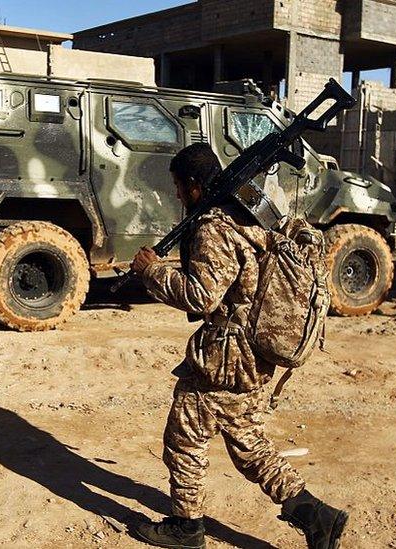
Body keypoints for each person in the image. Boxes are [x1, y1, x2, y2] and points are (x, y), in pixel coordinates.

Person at [129, 143, 348, 549]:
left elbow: (202, 296)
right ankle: (317, 516)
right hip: (254, 353)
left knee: (184, 434)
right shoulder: (248, 211)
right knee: (249, 443)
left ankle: (187, 527)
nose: (178, 195)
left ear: (195, 185)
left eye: (179, 187)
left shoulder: (214, 225)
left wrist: (152, 272)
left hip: (228, 356)